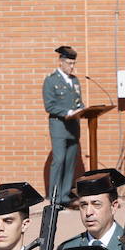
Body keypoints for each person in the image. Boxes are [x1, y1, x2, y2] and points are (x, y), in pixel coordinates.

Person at [44, 46, 84, 200]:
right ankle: (54, 196)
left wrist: (83, 109)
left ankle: (65, 194)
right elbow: (50, 105)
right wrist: (67, 112)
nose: (71, 66)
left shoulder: (75, 81)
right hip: (59, 126)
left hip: (73, 126)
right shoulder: (51, 80)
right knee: (59, 159)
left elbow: (78, 102)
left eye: (73, 63)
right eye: (69, 63)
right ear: (60, 62)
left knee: (70, 160)